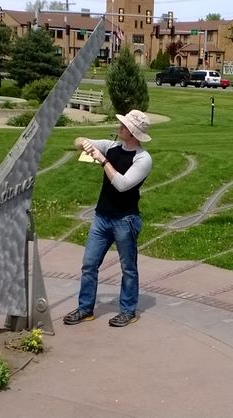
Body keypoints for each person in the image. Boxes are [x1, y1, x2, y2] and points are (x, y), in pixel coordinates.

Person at [63, 110, 153, 327]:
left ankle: (128, 311)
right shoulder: (111, 146)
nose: (119, 126)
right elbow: (79, 141)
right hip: (102, 217)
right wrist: (84, 143)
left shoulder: (142, 159)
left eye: (123, 125)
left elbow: (122, 185)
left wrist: (103, 161)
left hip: (125, 220)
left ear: (132, 132)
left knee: (128, 268)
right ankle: (85, 309)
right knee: (89, 264)